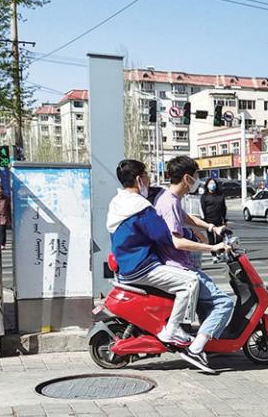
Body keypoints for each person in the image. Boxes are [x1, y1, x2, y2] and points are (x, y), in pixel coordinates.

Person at [106, 160, 205, 349]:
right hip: (142, 266)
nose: (149, 179)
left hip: (127, 265)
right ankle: (174, 330)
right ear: (139, 179)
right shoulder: (140, 207)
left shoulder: (118, 202)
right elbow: (163, 235)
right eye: (146, 175)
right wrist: (193, 235)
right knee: (191, 282)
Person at [155, 156, 235, 373]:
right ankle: (196, 349)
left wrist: (212, 228)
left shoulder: (169, 197)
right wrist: (212, 248)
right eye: (197, 176)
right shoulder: (170, 202)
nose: (200, 180)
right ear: (187, 178)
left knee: (208, 305)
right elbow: (177, 242)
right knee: (224, 304)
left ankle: (206, 341)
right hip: (179, 267)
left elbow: (187, 218)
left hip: (178, 264)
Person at [200, 178, 227, 264]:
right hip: (208, 220)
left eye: (213, 183)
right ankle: (214, 256)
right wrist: (203, 220)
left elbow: (223, 208)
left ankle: (218, 252)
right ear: (207, 185)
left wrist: (224, 219)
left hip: (219, 219)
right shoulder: (204, 196)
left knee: (219, 238)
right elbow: (202, 208)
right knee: (211, 239)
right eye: (210, 183)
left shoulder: (220, 195)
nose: (212, 185)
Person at [0, 185, 11, 250]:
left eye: (1, 190)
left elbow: (8, 208)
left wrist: (9, 219)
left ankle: (2, 244)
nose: (0, 191)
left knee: (2, 231)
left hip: (3, 217)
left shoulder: (6, 198)